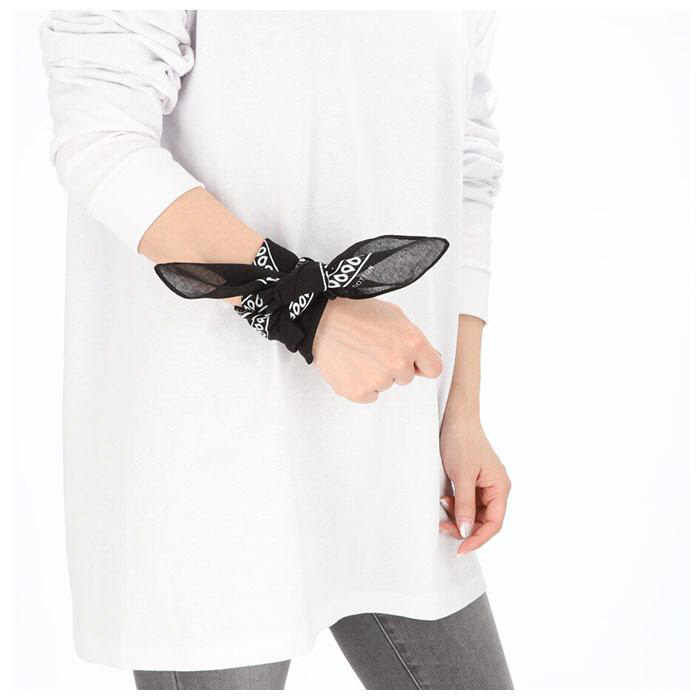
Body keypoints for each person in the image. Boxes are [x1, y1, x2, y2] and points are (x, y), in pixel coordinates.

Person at [39, 10, 512, 690]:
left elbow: (467, 166)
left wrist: (460, 412)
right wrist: (309, 311)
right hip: (214, 448)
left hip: (396, 444)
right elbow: (101, 136)